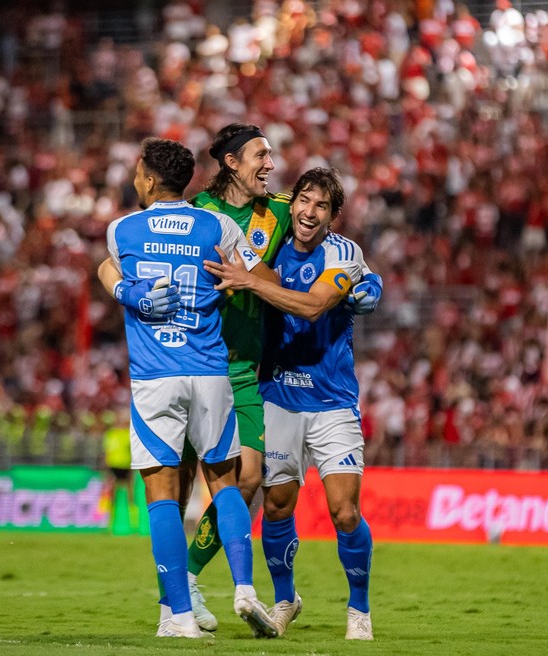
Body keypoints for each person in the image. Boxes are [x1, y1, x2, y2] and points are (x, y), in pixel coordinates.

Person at [100, 123, 382, 631]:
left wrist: (366, 276)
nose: (271, 167)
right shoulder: (204, 215)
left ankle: (190, 589)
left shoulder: (279, 209)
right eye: (260, 156)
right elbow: (112, 262)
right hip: (203, 360)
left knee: (241, 478)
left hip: (244, 369)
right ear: (231, 162)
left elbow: (323, 245)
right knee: (188, 483)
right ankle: (186, 593)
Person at [100, 136, 280, 639]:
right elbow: (248, 272)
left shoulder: (123, 230)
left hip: (156, 375)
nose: (135, 179)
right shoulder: (216, 225)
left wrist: (126, 290)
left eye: (139, 172)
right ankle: (244, 587)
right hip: (210, 370)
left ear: (151, 179)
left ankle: (178, 616)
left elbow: (112, 272)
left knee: (162, 494)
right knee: (224, 483)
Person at [204, 167, 376, 640]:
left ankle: (358, 608)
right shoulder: (272, 246)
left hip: (332, 402)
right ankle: (285, 601)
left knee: (344, 512)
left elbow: (314, 305)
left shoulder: (342, 252)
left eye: (321, 205)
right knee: (277, 505)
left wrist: (251, 282)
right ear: (293, 203)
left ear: (332, 216)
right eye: (303, 200)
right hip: (278, 395)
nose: (308, 211)